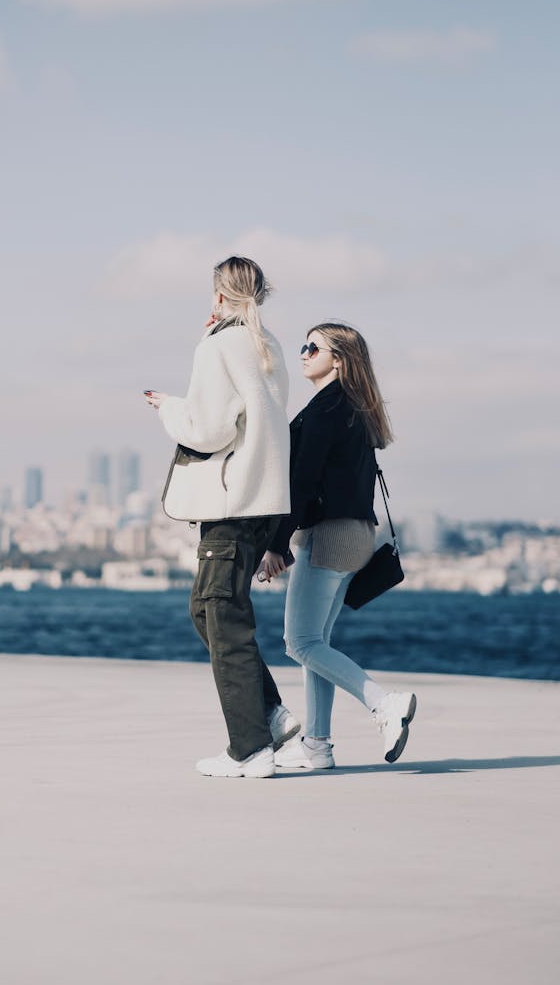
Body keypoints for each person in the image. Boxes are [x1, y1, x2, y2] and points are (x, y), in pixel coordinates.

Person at [145, 256, 299, 778]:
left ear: (217, 296)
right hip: (263, 501)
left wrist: (168, 407)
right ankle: (271, 716)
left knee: (220, 615)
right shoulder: (269, 344)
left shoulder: (218, 344)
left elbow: (208, 430)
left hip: (231, 504)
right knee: (208, 609)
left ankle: (249, 750)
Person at [260, 322, 417, 769]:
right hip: (357, 535)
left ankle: (384, 703)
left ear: (340, 359)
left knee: (301, 643)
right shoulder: (354, 409)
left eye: (314, 346)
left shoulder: (328, 409)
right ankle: (317, 745)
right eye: (303, 345)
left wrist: (275, 543)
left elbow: (303, 483)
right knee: (318, 642)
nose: (304, 352)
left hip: (328, 535)